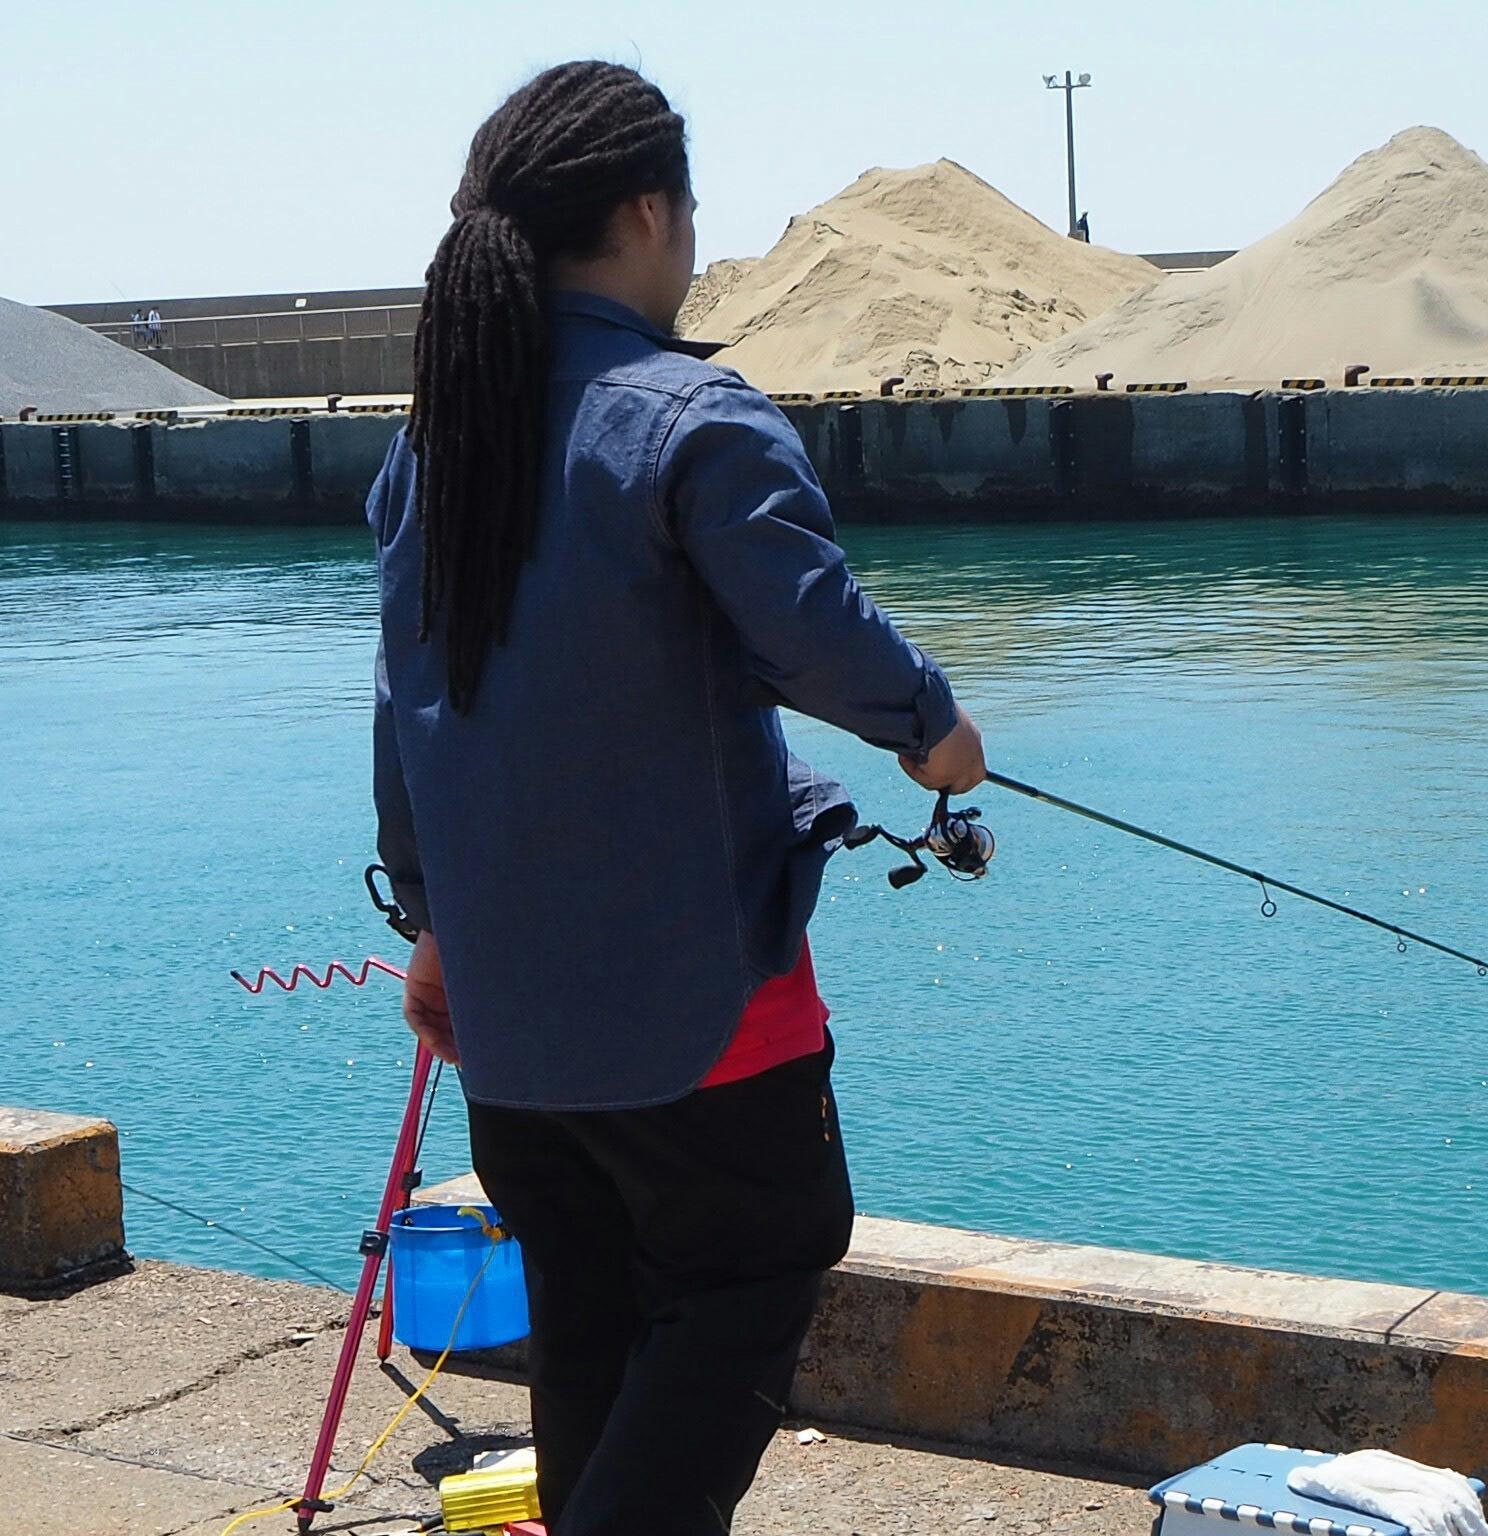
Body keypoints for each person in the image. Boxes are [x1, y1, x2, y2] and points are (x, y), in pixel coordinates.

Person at [367, 60, 985, 1536]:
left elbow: (403, 719)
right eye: (688, 215)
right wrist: (933, 728)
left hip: (511, 1024)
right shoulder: (688, 413)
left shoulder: (433, 441)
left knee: (590, 1326)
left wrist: (434, 927)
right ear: (647, 211)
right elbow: (810, 620)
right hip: (701, 1013)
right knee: (759, 1267)